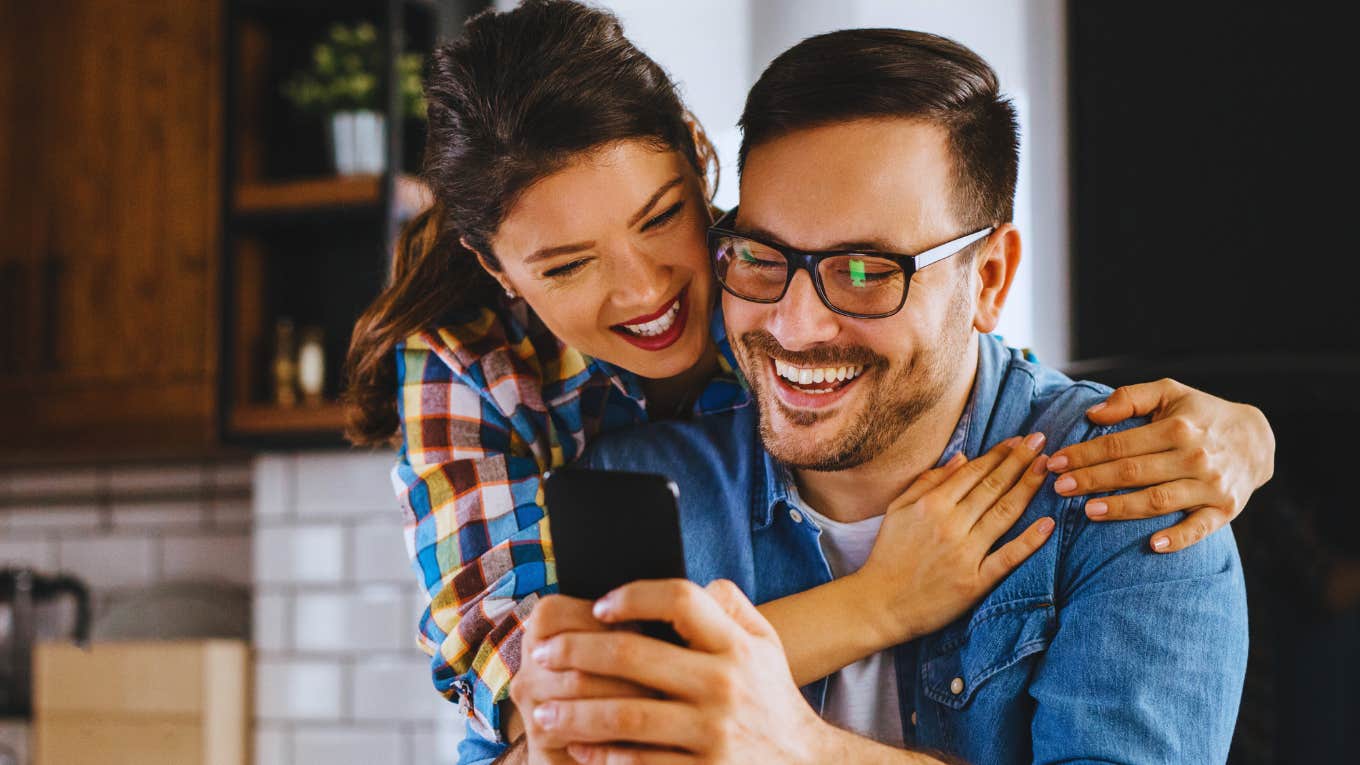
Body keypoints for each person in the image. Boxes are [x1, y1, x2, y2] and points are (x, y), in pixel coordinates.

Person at [341, 2, 1273, 761]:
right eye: (763, 260)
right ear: (501, 271)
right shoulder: (575, 450)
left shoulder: (1132, 487)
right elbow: (541, 710)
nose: (795, 323)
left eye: (867, 269)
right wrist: (878, 602)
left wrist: (1258, 430)